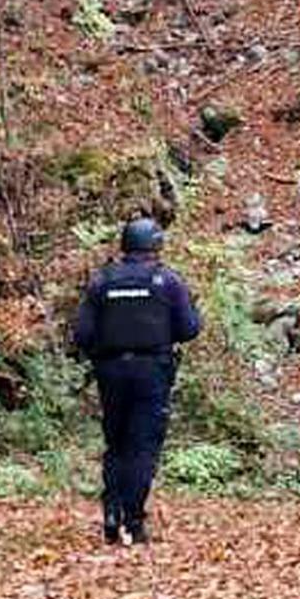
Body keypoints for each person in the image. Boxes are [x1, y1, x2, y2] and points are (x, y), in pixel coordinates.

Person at [72, 214, 201, 546]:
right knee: (143, 445)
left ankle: (112, 512)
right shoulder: (167, 282)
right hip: (153, 372)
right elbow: (189, 329)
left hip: (110, 372)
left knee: (116, 443)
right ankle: (134, 519)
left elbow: (82, 333)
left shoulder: (102, 282)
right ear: (156, 245)